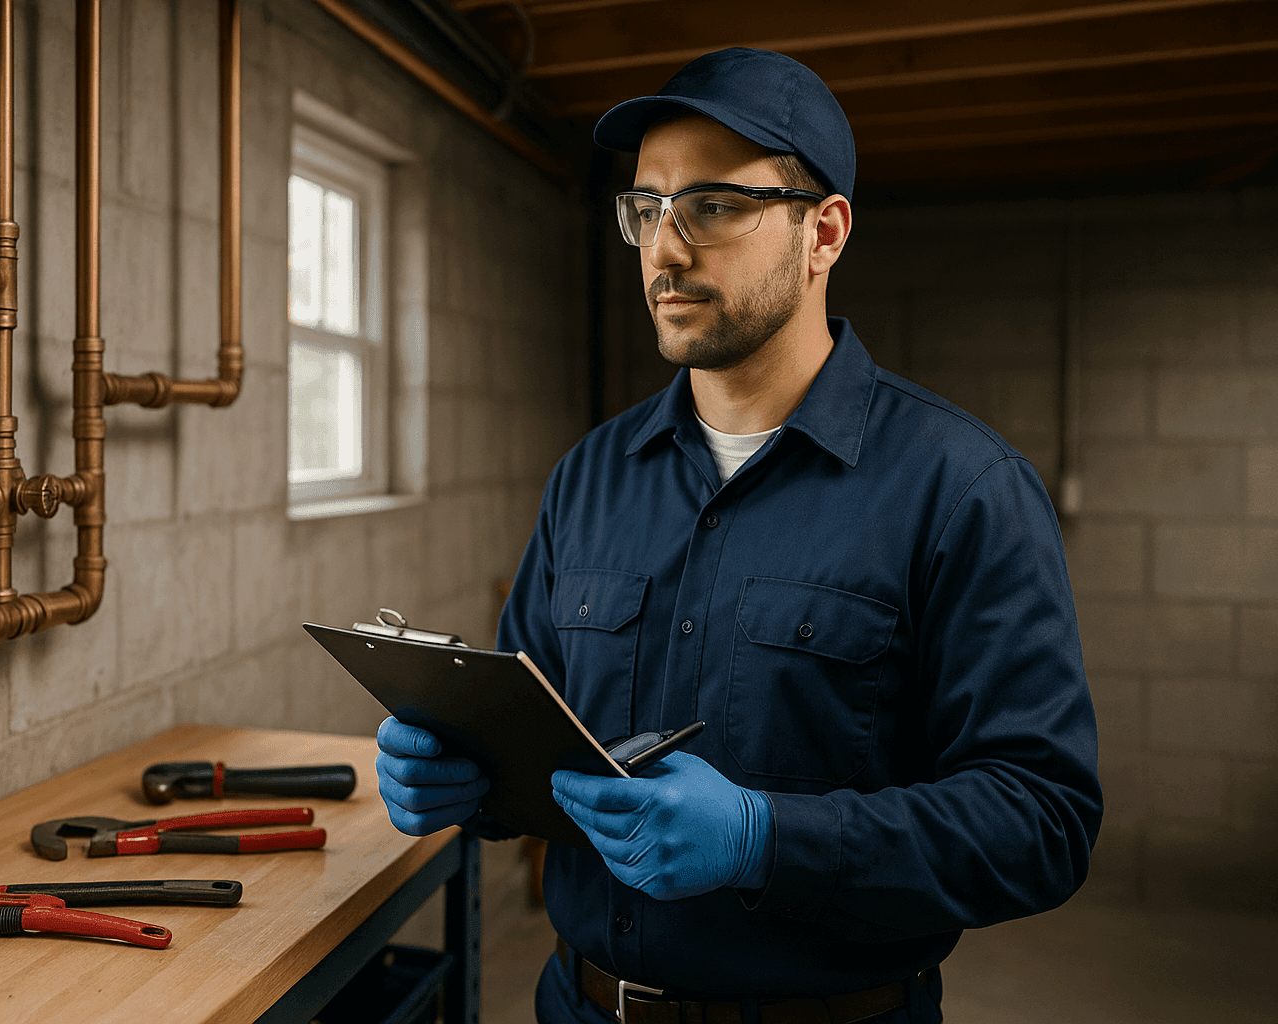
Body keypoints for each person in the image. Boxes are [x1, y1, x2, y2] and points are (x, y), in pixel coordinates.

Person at [375, 47, 1101, 1024]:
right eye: (646, 209)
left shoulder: (964, 488)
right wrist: (468, 776)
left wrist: (767, 837)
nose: (665, 249)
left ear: (824, 232)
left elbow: (1042, 822)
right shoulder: (589, 476)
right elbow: (549, 747)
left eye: (714, 206)